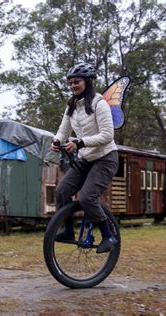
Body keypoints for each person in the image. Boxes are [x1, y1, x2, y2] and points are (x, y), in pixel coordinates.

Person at [51, 62, 119, 253]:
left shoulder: (99, 104)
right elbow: (63, 130)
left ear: (87, 82)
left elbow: (107, 136)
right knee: (63, 190)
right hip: (86, 159)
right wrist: (57, 141)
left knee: (88, 197)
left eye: (76, 82)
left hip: (105, 158)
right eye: (70, 83)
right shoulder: (71, 105)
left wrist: (80, 143)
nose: (73, 86)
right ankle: (68, 231)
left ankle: (108, 236)